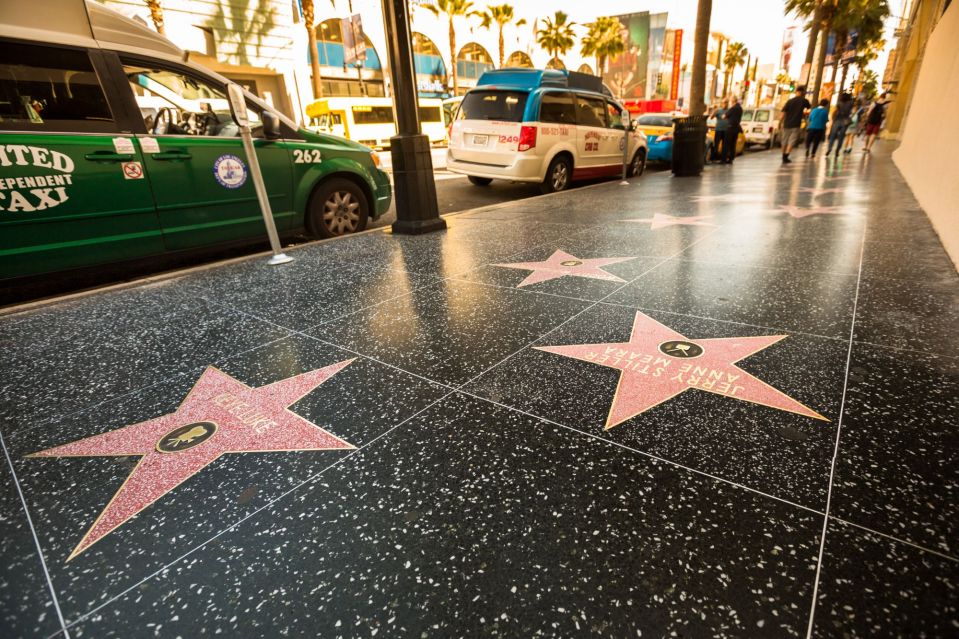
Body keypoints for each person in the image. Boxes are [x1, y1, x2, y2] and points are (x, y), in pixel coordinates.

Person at [780, 85, 811, 163]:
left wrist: (780, 122)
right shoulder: (804, 100)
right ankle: (786, 155)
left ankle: (783, 155)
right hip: (796, 124)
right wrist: (804, 115)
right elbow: (808, 109)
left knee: (784, 140)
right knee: (792, 141)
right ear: (802, 92)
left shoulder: (789, 101)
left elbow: (783, 112)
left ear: (796, 92)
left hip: (787, 123)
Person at [723, 95, 743, 164]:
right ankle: (731, 159)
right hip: (736, 128)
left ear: (733, 101)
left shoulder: (733, 108)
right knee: (733, 144)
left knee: (726, 144)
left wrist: (724, 116)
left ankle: (724, 159)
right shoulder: (740, 108)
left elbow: (724, 116)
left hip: (730, 128)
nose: (730, 102)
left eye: (731, 100)